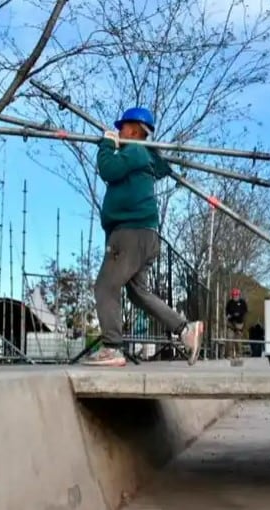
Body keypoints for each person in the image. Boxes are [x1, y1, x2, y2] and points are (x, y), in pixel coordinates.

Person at [85, 107, 204, 367]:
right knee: (139, 293)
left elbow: (108, 169)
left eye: (122, 128)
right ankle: (184, 329)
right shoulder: (146, 158)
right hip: (146, 236)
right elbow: (162, 167)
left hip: (129, 232)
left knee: (106, 286)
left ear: (135, 130)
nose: (118, 132)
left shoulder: (135, 151)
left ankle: (112, 348)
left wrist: (106, 144)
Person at [224, 288, 248, 358]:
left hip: (239, 324)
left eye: (236, 295)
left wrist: (238, 314)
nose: (235, 296)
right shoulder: (229, 303)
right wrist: (229, 316)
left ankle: (239, 354)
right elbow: (227, 312)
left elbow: (245, 312)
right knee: (229, 339)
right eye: (234, 295)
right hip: (231, 324)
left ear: (239, 295)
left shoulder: (242, 302)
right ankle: (229, 354)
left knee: (238, 341)